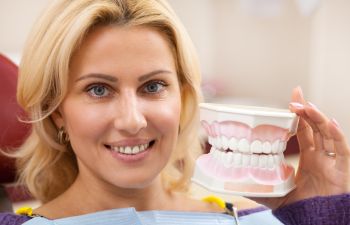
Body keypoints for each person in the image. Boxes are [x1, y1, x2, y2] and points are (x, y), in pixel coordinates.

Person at [1, 0, 349, 224]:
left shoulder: (258, 220)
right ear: (56, 110)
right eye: (98, 89)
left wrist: (318, 217)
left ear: (183, 98)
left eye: (153, 86)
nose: (133, 120)